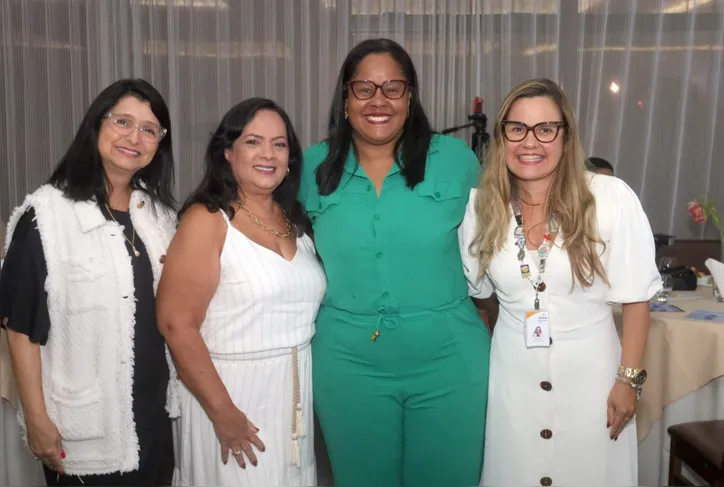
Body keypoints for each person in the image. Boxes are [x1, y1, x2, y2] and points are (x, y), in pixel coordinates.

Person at [300, 38, 490, 487]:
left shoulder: (457, 161)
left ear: (410, 97)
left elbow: (493, 247)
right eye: (364, 88)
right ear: (345, 98)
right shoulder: (310, 166)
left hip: (449, 360)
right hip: (347, 364)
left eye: (393, 87)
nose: (378, 100)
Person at [459, 78, 661, 486]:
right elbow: (484, 298)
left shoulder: (609, 197)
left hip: (594, 381)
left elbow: (637, 298)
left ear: (566, 137)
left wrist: (629, 382)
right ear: (501, 138)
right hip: (512, 380)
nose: (530, 142)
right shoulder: (481, 208)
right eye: (517, 128)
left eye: (545, 129)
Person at [0, 78, 179, 486]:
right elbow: (20, 328)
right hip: (86, 426)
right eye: (122, 122)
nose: (135, 137)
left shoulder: (159, 216)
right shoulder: (46, 216)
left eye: (149, 129)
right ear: (96, 125)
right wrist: (37, 418)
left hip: (155, 416)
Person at [156, 98, 326, 487]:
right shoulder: (207, 220)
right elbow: (176, 324)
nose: (268, 154)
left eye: (279, 144)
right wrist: (223, 413)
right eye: (253, 142)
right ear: (228, 152)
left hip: (292, 396)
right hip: (230, 396)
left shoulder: (295, 220)